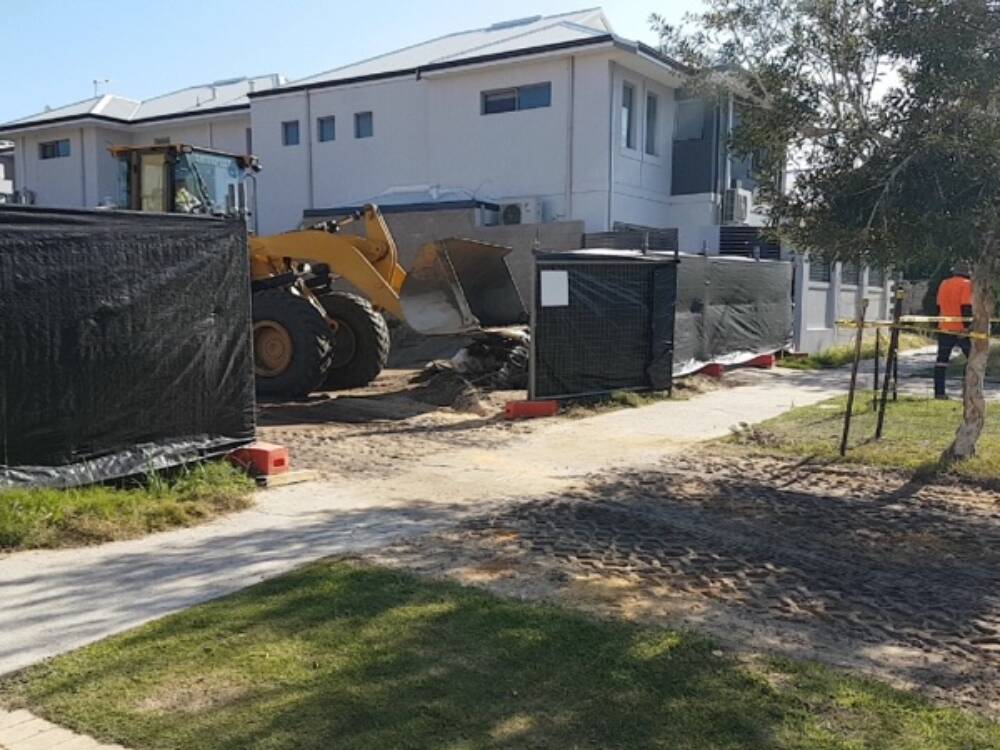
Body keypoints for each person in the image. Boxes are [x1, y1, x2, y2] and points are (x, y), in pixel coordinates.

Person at [934, 262, 974, 399]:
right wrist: (966, 327)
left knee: (941, 361)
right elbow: (966, 308)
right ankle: (968, 391)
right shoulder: (966, 284)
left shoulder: (944, 283)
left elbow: (939, 306)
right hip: (960, 328)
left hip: (944, 327)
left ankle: (939, 393)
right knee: (972, 360)